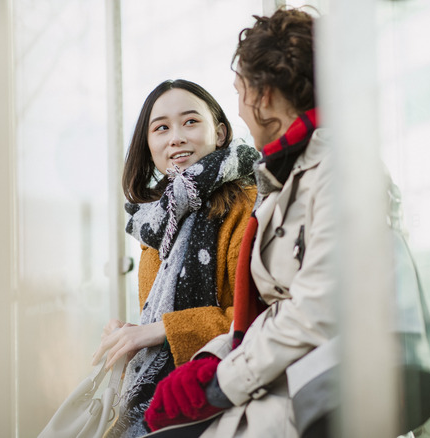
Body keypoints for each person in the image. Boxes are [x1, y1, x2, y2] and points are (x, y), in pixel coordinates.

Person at [144, 8, 338, 438]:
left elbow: (310, 312)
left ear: (263, 96)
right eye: (160, 128)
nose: (241, 109)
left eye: (239, 91)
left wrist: (215, 381)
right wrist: (211, 362)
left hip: (311, 405)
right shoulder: (286, 178)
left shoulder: (329, 175)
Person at [91, 79, 260, 438]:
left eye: (190, 122)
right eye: (161, 128)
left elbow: (258, 322)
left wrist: (159, 331)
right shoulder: (156, 227)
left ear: (220, 130)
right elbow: (164, 320)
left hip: (231, 400)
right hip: (172, 401)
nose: (176, 137)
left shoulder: (247, 205)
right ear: (148, 145)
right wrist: (134, 334)